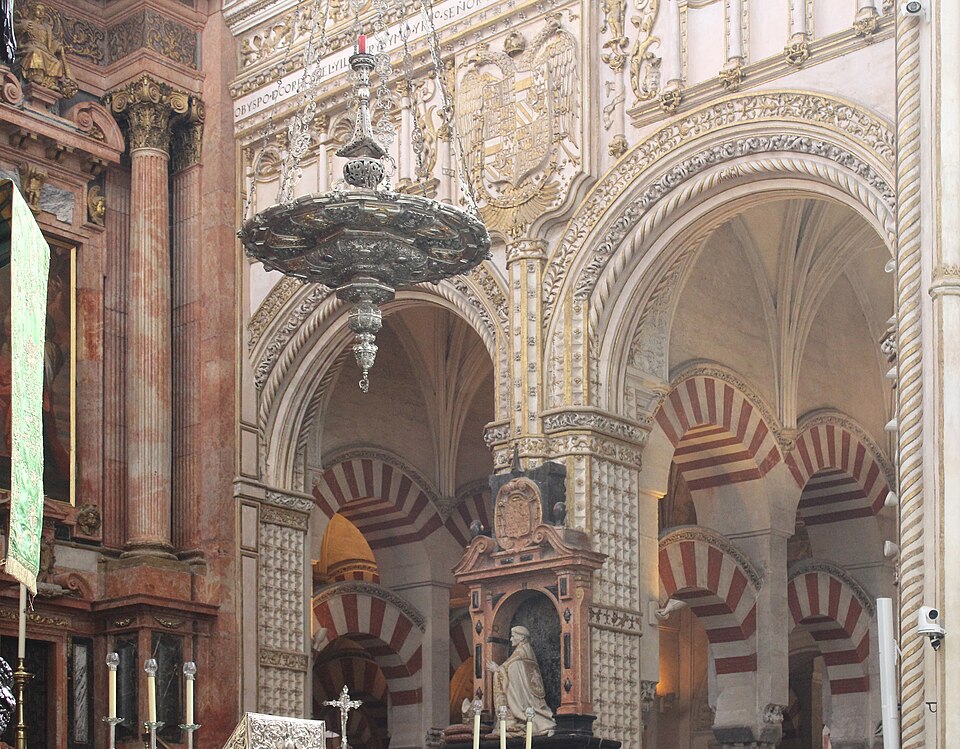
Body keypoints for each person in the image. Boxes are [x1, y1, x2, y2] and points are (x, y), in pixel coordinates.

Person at [486, 626, 556, 737]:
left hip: (524, 701)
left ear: (522, 637)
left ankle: (532, 723)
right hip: (529, 698)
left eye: (513, 636)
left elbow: (511, 672)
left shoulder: (519, 656)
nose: (510, 639)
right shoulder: (526, 652)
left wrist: (497, 670)